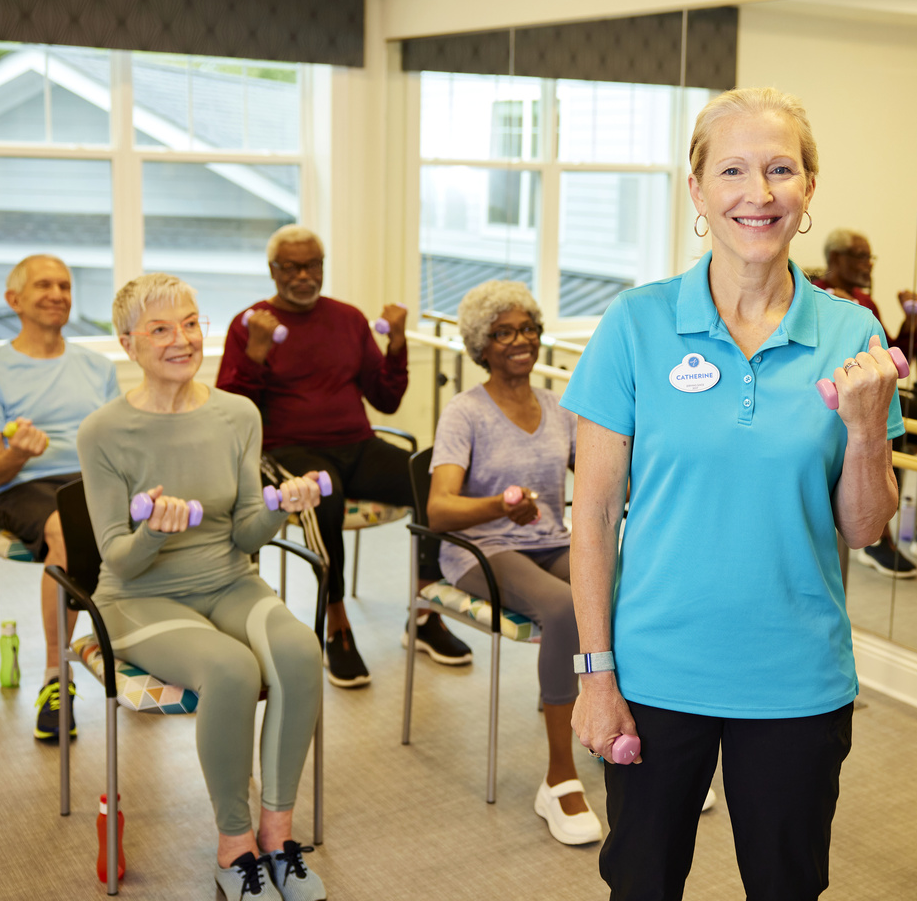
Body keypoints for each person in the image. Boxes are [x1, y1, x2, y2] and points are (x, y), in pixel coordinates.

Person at [564, 87, 905, 900]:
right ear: (696, 191)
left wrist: (864, 430)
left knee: (786, 888)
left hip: (796, 676)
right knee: (641, 885)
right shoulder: (636, 324)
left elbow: (862, 528)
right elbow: (594, 520)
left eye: (781, 169)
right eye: (734, 170)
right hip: (653, 673)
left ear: (809, 188)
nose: (759, 193)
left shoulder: (853, 333)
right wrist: (594, 676)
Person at [79, 274, 327, 899]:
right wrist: (156, 532)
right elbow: (119, 560)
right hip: (137, 600)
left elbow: (245, 534)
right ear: (127, 342)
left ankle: (278, 835)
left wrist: (281, 508)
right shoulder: (103, 432)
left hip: (226, 580)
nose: (182, 339)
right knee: (231, 669)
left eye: (190, 323)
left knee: (300, 652)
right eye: (160, 329)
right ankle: (234, 845)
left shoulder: (236, 414)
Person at [217, 225, 470, 688]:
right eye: (291, 266)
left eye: (312, 264)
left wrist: (396, 344)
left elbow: (386, 399)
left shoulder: (348, 319)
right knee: (323, 496)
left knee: (431, 483)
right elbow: (232, 419)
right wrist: (254, 353)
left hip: (357, 444)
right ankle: (336, 624)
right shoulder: (249, 324)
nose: (303, 275)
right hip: (287, 451)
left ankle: (424, 612)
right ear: (273, 271)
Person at [425, 280, 601, 844]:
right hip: (483, 550)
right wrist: (498, 504)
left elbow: (596, 478)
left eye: (527, 328)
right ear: (482, 345)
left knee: (617, 592)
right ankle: (559, 777)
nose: (520, 340)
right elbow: (439, 510)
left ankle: (617, 730)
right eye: (503, 333)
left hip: (550, 540)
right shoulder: (464, 414)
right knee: (565, 608)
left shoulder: (557, 407)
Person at [0, 254, 120, 743]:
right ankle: (58, 677)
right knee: (63, 529)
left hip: (90, 478)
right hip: (21, 485)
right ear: (14, 300)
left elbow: (118, 442)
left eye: (65, 285)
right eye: (44, 285)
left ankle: (136, 650)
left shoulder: (97, 367)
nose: (58, 293)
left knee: (147, 521)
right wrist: (17, 454)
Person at [811, 228, 917, 576]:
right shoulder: (816, 298)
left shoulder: (865, 303)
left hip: (879, 394)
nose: (868, 265)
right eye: (860, 256)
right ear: (835, 260)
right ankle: (880, 540)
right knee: (892, 432)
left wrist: (911, 317)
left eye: (870, 257)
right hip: (836, 401)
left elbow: (895, 358)